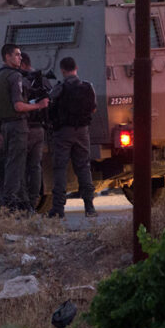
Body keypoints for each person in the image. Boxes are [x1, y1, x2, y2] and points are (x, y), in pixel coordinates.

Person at [0, 44, 50, 213]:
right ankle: (12, 202)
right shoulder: (15, 77)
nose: (20, 58)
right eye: (17, 55)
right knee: (18, 166)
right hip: (18, 125)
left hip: (3, 127)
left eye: (20, 55)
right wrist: (39, 106)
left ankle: (18, 203)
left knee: (10, 164)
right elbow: (18, 106)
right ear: (7, 57)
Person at [47, 57, 99, 218]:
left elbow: (50, 106)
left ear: (62, 70)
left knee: (60, 169)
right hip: (82, 131)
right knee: (83, 167)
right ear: (76, 67)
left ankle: (58, 208)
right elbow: (93, 108)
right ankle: (89, 207)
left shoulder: (59, 88)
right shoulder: (88, 86)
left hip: (63, 132)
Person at [19, 53, 52, 211]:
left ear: (23, 64)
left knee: (23, 166)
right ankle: (33, 201)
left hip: (24, 128)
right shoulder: (43, 80)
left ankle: (25, 203)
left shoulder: (20, 80)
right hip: (39, 128)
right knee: (35, 166)